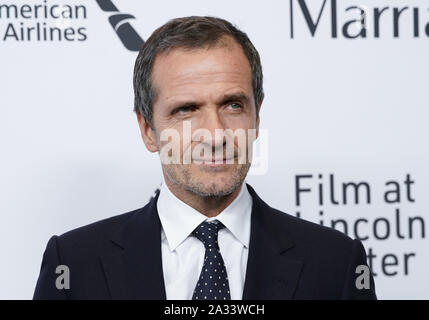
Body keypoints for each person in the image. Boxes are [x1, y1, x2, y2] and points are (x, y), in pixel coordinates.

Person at [33, 16, 376, 300]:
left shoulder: (337, 264)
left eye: (233, 105)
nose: (215, 134)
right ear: (148, 130)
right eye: (187, 109)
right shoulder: (74, 265)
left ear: (256, 118)